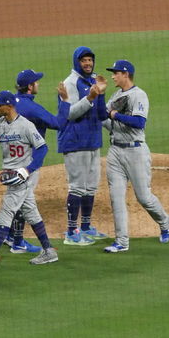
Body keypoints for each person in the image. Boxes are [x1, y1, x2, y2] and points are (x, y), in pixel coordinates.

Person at [0, 91, 60, 269]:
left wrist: (27, 170)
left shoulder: (26, 125)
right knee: (31, 213)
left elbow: (42, 148)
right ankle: (49, 251)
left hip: (21, 177)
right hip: (11, 175)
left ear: (8, 106)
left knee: (6, 213)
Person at [101, 60, 169, 253]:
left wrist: (115, 116)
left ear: (126, 74)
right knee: (116, 198)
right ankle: (121, 241)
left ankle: (165, 222)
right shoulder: (116, 95)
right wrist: (98, 94)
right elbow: (103, 114)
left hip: (136, 151)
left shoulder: (139, 95)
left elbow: (139, 122)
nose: (112, 76)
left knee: (143, 197)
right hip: (115, 151)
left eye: (115, 73)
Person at [5, 69, 70, 254]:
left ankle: (10, 236)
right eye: (36, 82)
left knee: (15, 197)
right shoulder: (32, 108)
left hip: (11, 157)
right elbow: (59, 124)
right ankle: (18, 242)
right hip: (28, 162)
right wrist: (64, 101)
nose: (38, 85)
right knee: (24, 200)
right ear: (30, 87)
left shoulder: (11, 103)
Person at [59, 47, 109, 246]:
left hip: (92, 140)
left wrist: (100, 94)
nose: (88, 64)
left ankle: (86, 227)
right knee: (78, 187)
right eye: (84, 61)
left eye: (90, 60)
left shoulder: (94, 80)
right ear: (76, 62)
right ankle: (71, 232)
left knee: (90, 187)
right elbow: (69, 113)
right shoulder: (70, 83)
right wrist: (90, 97)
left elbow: (100, 112)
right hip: (75, 142)